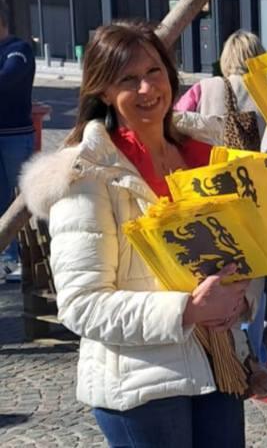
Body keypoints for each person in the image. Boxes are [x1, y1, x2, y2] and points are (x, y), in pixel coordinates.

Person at [19, 22, 255, 447]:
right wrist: (187, 310)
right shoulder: (87, 175)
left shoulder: (204, 153)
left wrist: (240, 298)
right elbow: (81, 303)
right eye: (127, 79)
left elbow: (240, 253)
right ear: (104, 91)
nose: (146, 88)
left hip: (216, 363)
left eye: (153, 72)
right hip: (140, 385)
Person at [175, 30, 267, 377]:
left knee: (218, 273)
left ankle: (217, 351)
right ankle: (254, 354)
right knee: (253, 281)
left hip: (212, 195)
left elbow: (174, 121)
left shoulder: (206, 88)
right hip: (258, 200)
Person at [175, 29, 267, 149]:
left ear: (225, 58)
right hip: (263, 160)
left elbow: (175, 119)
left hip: (211, 158)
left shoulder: (204, 88)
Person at [0, 0, 35, 282]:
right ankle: (8, 258)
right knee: (1, 199)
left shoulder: (18, 50)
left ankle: (34, 254)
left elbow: (7, 78)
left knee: (25, 198)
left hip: (15, 136)